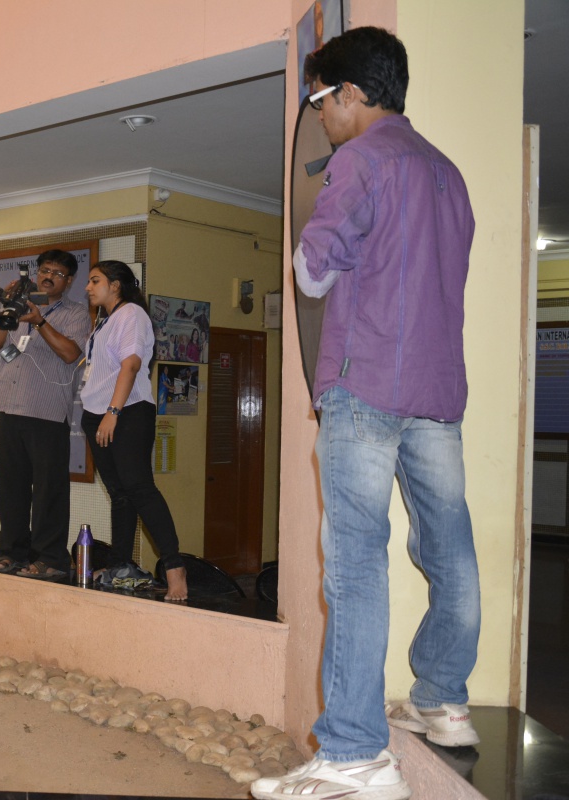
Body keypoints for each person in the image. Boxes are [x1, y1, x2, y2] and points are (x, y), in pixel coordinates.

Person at [250, 27, 478, 800]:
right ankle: (444, 700)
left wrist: (314, 224)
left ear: (349, 93)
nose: (319, 115)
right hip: (437, 390)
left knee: (354, 564)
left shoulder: (359, 161)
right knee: (449, 549)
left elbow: (312, 273)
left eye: (319, 99)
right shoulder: (448, 173)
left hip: (366, 383)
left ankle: (353, 755)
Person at [79, 260, 187, 601]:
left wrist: (113, 412)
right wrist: (100, 414)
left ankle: (175, 568)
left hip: (127, 411)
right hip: (97, 414)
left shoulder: (132, 315)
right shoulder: (105, 321)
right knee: (119, 493)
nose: (88, 287)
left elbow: (131, 365)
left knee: (140, 488)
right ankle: (120, 565)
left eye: (95, 280)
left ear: (115, 285)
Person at [0, 249, 92, 579]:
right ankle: (12, 552)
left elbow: (71, 354)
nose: (48, 277)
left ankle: (50, 558)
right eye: (44, 270)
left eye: (57, 273)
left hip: (48, 413)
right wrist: (9, 309)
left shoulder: (76, 313)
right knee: (10, 487)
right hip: (10, 406)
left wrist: (40, 321)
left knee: (48, 490)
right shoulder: (19, 304)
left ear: (69, 281)